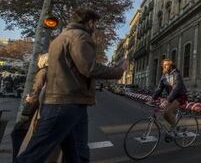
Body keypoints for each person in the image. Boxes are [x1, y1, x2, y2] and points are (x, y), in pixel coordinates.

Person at [16, 8, 128, 163]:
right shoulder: (80, 37)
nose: (95, 28)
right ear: (90, 22)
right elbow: (89, 68)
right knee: (35, 153)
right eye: (94, 24)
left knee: (77, 153)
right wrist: (119, 70)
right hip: (66, 103)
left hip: (68, 103)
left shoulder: (61, 38)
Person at [152, 58, 187, 140]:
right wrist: (152, 98)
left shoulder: (176, 74)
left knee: (168, 111)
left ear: (171, 66)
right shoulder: (164, 76)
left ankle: (174, 131)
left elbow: (176, 89)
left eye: (166, 65)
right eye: (163, 65)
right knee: (164, 114)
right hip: (171, 97)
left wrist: (167, 100)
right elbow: (159, 88)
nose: (163, 66)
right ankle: (175, 127)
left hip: (180, 96)